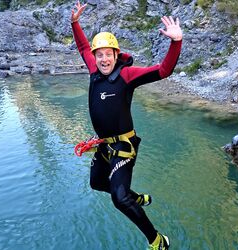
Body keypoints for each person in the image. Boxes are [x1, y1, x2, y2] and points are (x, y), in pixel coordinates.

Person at [71, 1, 182, 250]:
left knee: (119, 198)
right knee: (97, 183)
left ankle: (157, 240)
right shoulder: (93, 70)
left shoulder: (126, 75)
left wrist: (175, 42)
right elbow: (81, 46)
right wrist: (74, 22)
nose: (102, 59)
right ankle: (138, 198)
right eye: (99, 54)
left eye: (107, 54)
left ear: (115, 55)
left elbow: (164, 70)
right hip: (103, 146)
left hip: (124, 145)